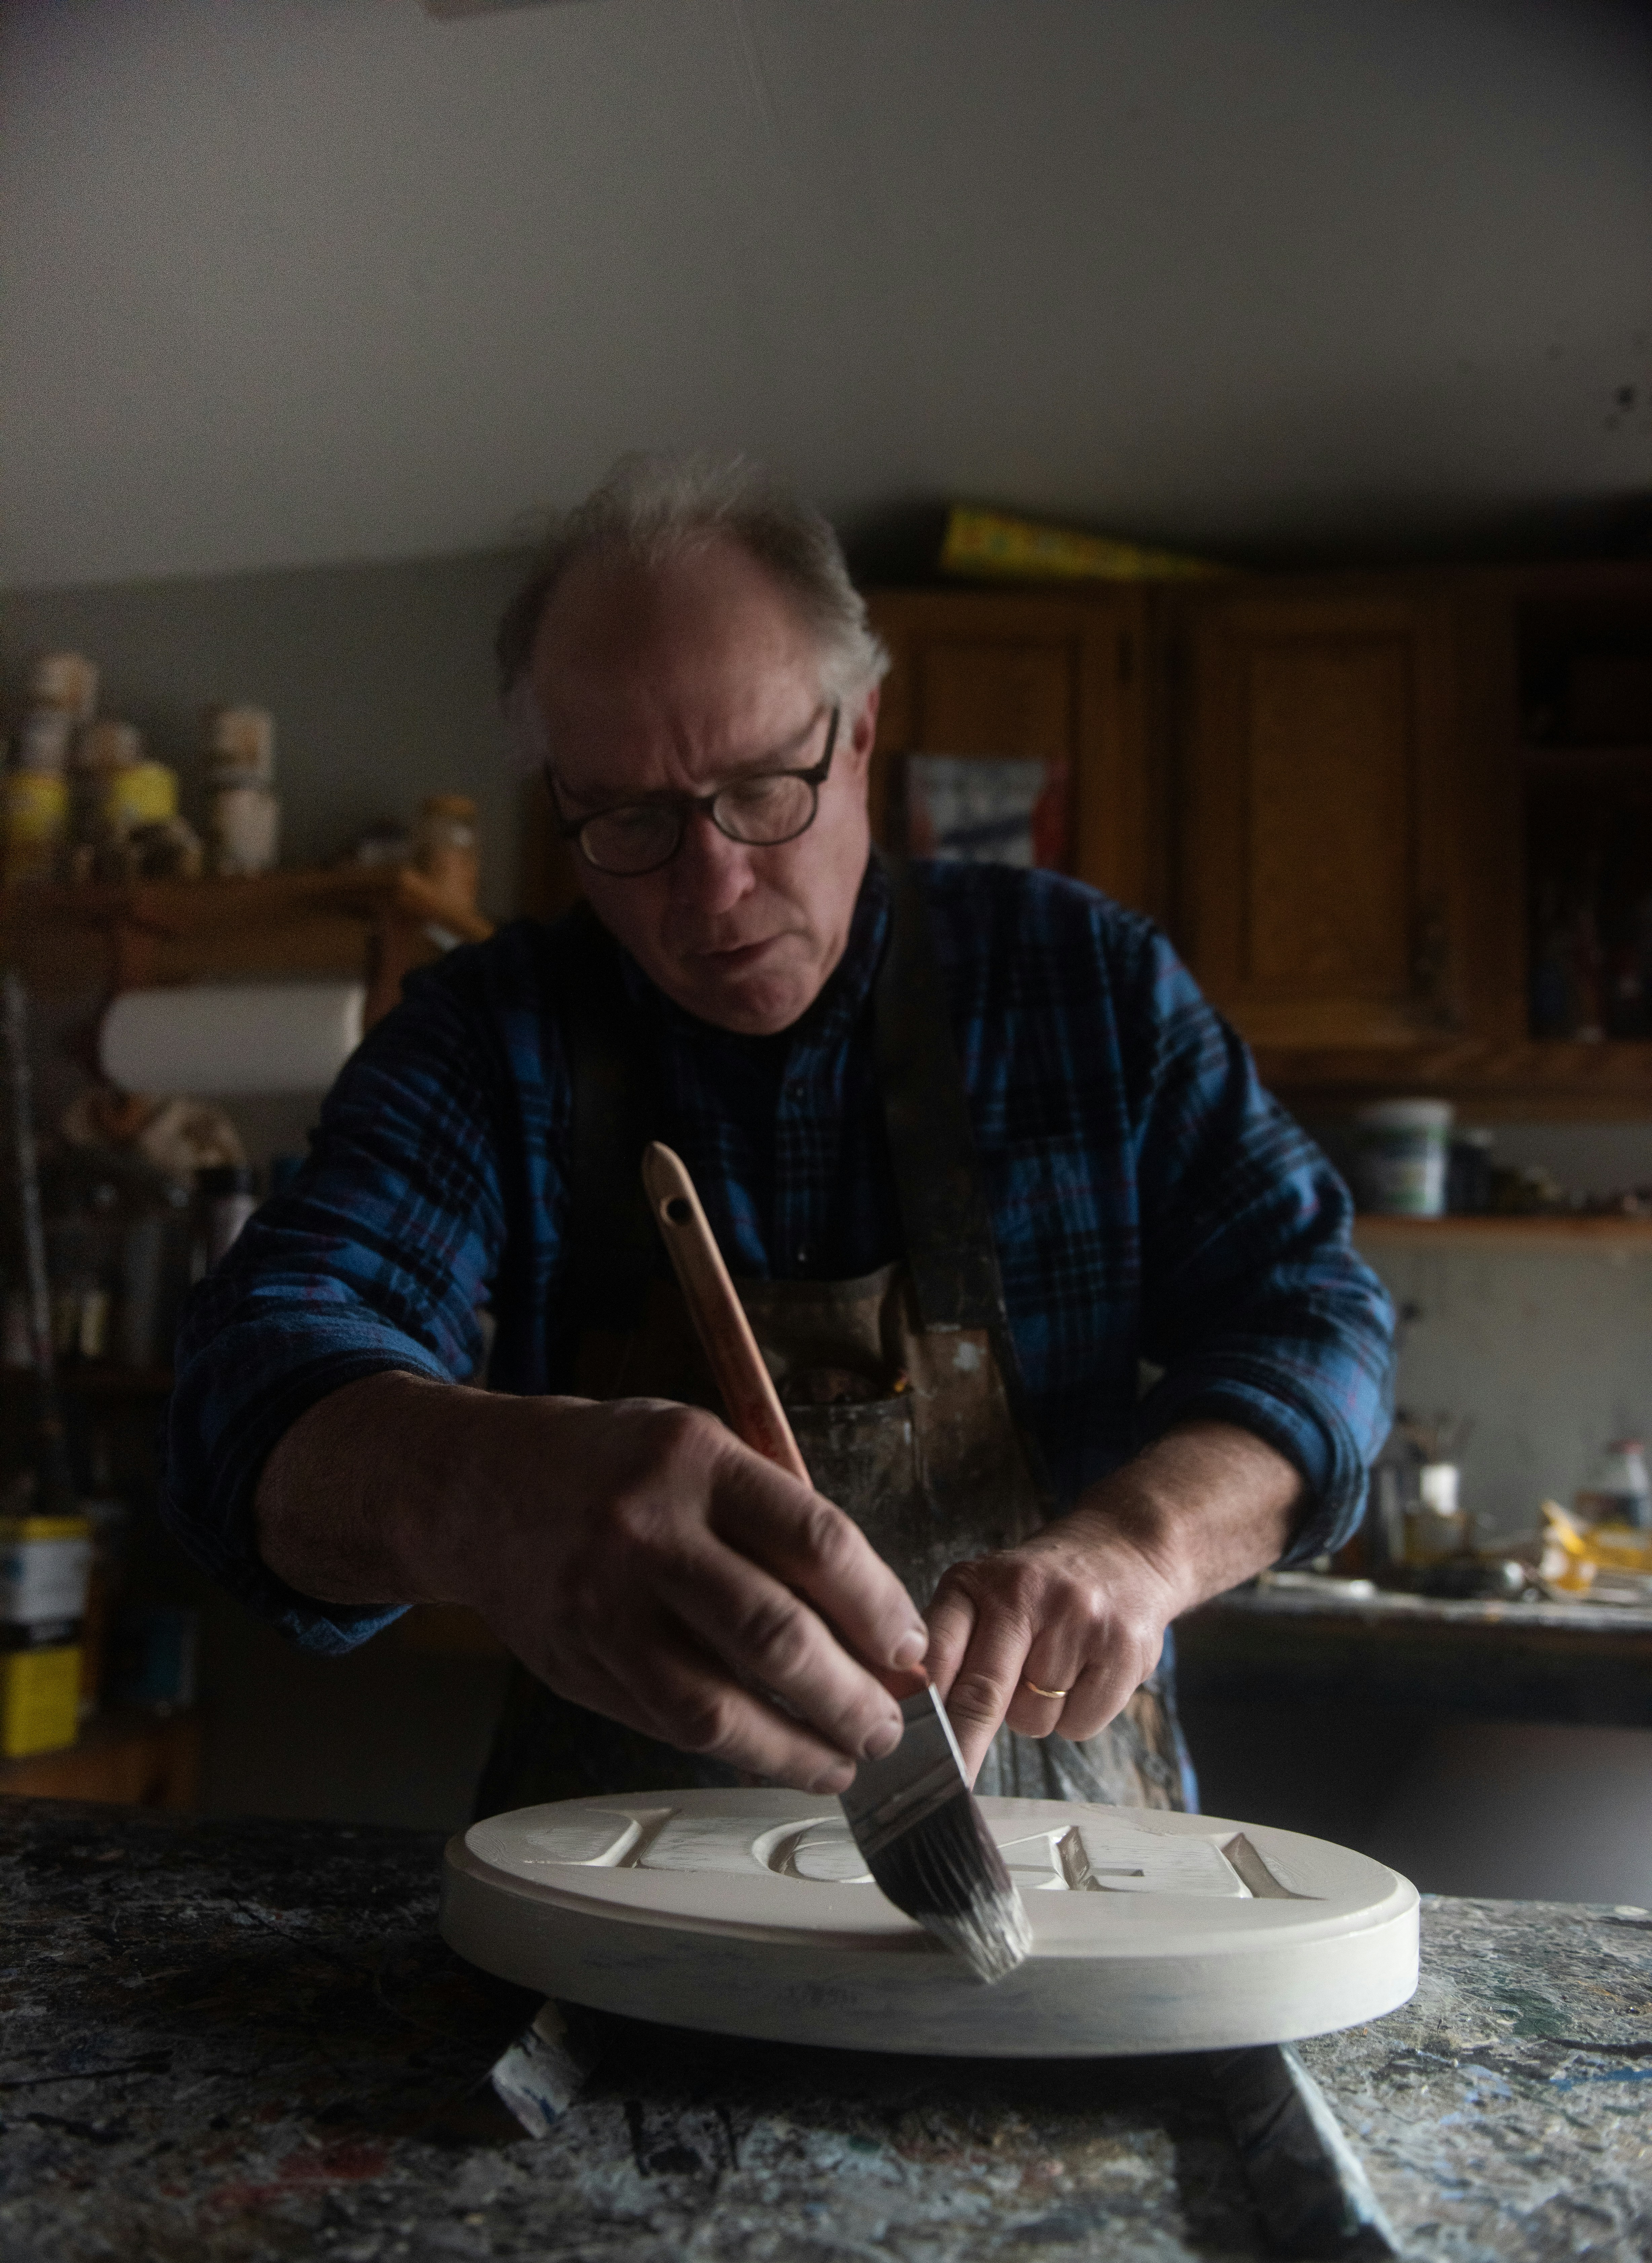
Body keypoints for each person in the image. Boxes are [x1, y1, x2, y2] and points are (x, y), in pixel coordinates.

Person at [162, 455, 1394, 1818]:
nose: (712, 885)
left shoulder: (1087, 989)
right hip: (617, 1906)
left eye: (760, 786)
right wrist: (483, 1490)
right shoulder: (485, 1039)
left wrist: (1139, 1551)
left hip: (1066, 1864)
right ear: (563, 803)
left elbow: (1316, 1324)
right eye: (628, 819)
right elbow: (248, 1389)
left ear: (858, 729)